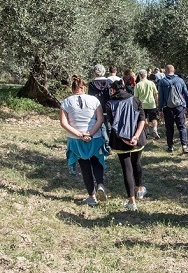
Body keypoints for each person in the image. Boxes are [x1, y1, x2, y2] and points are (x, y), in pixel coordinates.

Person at [60, 75, 109, 206]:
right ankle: (100, 184)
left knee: (84, 166)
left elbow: (64, 123)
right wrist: (90, 134)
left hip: (76, 139)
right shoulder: (94, 100)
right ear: (84, 87)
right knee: (97, 161)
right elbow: (100, 119)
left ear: (72, 88)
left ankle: (92, 197)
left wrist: (80, 134)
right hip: (95, 137)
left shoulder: (65, 102)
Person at [107, 79, 148, 211]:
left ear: (113, 90)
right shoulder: (135, 100)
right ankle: (140, 189)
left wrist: (124, 139)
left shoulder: (110, 103)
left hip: (120, 142)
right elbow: (142, 120)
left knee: (127, 169)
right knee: (136, 162)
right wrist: (135, 136)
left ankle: (131, 201)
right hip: (137, 139)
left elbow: (112, 125)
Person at [158, 64, 188, 154]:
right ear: (174, 71)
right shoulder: (180, 80)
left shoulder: (162, 82)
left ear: (165, 71)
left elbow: (160, 97)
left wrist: (160, 110)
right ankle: (184, 146)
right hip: (179, 107)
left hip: (167, 108)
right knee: (182, 127)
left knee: (169, 128)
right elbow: (186, 94)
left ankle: (170, 147)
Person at [87, 64, 112, 152]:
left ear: (94, 72)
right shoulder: (109, 82)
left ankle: (106, 144)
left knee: (102, 127)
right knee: (109, 127)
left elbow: (90, 97)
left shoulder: (91, 84)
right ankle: (110, 144)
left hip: (97, 108)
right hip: (108, 107)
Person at [134, 69, 161, 139]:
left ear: (139, 76)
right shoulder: (151, 83)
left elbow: (136, 97)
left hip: (142, 105)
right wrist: (157, 103)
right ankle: (154, 129)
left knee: (144, 119)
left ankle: (146, 132)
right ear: (146, 75)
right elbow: (156, 94)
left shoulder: (137, 85)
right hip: (151, 104)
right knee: (154, 118)